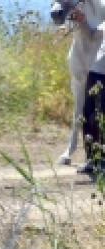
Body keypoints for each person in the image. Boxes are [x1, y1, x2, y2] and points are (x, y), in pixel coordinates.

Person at [70, 7, 105, 177]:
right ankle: (92, 160)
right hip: (96, 70)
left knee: (100, 117)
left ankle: (102, 160)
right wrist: (82, 21)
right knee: (89, 114)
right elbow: (92, 36)